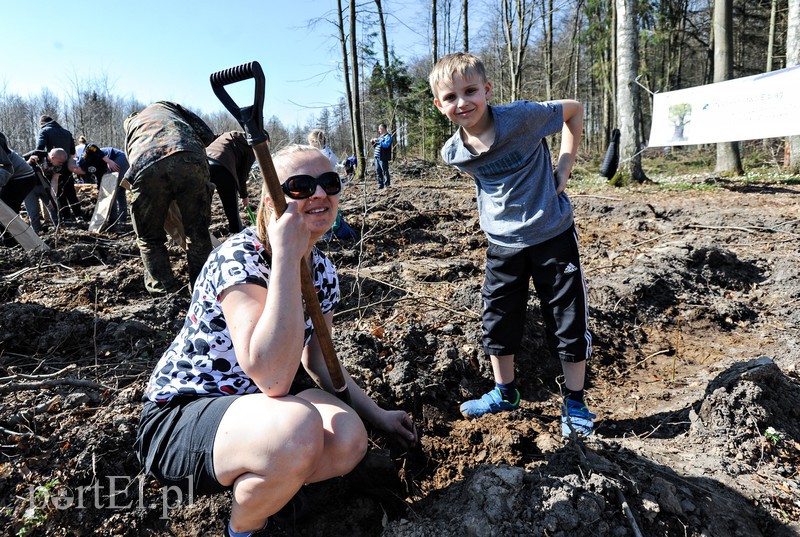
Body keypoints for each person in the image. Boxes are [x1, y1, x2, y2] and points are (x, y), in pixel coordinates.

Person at [135, 144, 418, 537]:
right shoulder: (240, 258)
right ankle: (245, 527)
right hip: (186, 414)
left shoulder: (322, 269)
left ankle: (275, 487)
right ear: (271, 202)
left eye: (329, 183)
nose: (318, 193)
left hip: (262, 412)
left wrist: (378, 415)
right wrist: (285, 257)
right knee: (296, 430)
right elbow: (272, 377)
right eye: (300, 186)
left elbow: (318, 363)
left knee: (349, 438)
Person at [428, 52, 595, 437]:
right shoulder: (453, 153)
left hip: (552, 235)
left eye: (470, 91)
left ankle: (575, 402)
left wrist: (564, 167)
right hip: (502, 245)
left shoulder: (522, 117)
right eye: (450, 97)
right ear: (439, 105)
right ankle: (505, 393)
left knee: (567, 318)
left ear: (487, 90)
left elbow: (574, 110)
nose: (462, 102)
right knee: (498, 318)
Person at [123, 101, 216, 295]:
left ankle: (163, 291)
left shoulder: (132, 130)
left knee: (149, 237)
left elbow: (133, 166)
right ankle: (203, 289)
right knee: (197, 233)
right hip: (189, 158)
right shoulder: (165, 106)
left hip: (146, 164)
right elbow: (207, 135)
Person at [307, 130, 356, 241]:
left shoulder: (321, 155)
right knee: (331, 210)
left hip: (326, 186)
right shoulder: (327, 152)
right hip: (329, 186)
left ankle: (332, 232)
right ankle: (338, 230)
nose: (309, 145)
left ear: (316, 141)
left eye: (310, 142)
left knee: (326, 210)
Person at [206, 131, 257, 234]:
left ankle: (200, 232)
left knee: (203, 204)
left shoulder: (228, 135)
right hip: (223, 167)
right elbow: (242, 176)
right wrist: (244, 196)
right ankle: (238, 233)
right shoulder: (251, 148)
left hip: (203, 163)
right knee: (232, 209)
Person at [36, 115, 84, 221]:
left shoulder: (44, 131)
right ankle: (78, 215)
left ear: (42, 123)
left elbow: (39, 149)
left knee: (58, 192)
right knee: (71, 192)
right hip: (67, 166)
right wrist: (70, 165)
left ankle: (66, 217)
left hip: (53, 165)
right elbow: (72, 152)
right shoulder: (67, 132)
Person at [77, 143, 130, 225]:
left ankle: (114, 220)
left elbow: (91, 146)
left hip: (117, 158)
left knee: (111, 191)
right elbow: (100, 178)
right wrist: (99, 191)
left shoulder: (83, 159)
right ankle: (121, 219)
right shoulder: (90, 171)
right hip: (116, 162)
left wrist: (108, 160)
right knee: (119, 190)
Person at [0, 132, 37, 245]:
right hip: (13, 178)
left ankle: (12, 242)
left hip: (22, 178)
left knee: (6, 210)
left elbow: (7, 168)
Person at [370, 124, 392, 189]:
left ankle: (387, 185)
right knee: (378, 171)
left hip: (383, 157)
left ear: (383, 129)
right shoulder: (380, 137)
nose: (378, 130)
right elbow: (375, 145)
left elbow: (386, 145)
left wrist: (378, 141)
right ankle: (380, 185)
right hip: (376, 157)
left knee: (385, 171)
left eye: (379, 129)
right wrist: (373, 141)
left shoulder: (388, 136)